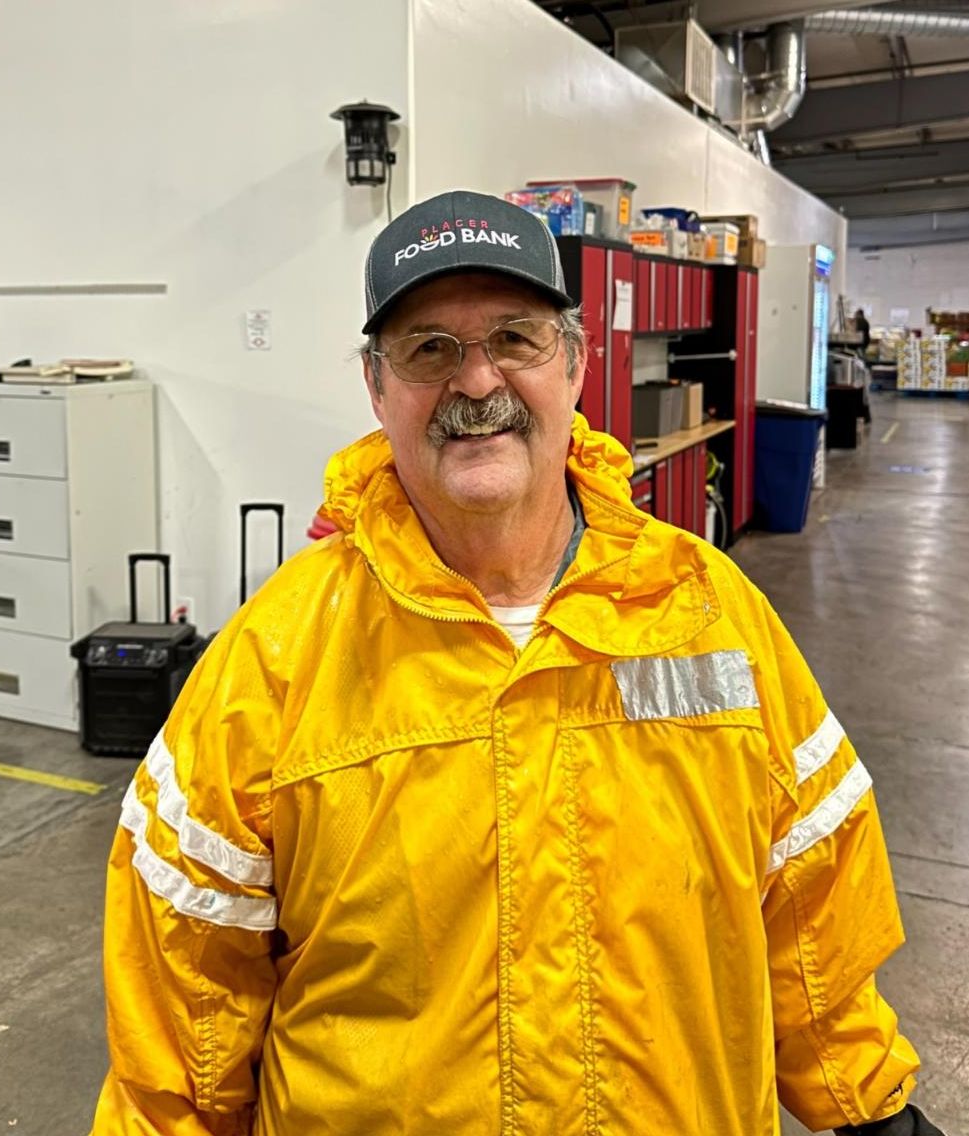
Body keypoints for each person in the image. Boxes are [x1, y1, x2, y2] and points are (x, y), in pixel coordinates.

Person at [91, 191, 947, 1136]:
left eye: (514, 338)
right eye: (428, 349)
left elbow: (811, 911)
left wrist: (869, 1106)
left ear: (574, 363)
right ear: (376, 386)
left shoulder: (708, 611)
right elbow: (183, 1018)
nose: (475, 381)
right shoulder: (273, 659)